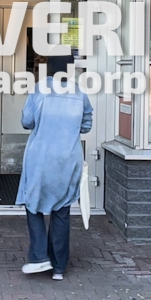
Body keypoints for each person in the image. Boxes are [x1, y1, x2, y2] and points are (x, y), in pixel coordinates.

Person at [17, 55, 93, 281]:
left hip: (40, 156)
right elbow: (86, 125)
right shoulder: (80, 93)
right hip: (69, 157)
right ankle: (59, 268)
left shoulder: (40, 89)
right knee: (62, 210)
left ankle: (40, 257)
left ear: (49, 68)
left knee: (33, 204)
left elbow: (26, 121)